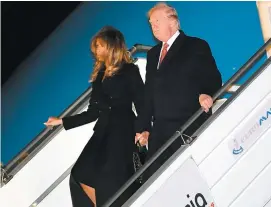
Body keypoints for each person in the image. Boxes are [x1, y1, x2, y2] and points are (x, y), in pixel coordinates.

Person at [44, 26, 144, 207]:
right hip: (102, 132)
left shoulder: (129, 70)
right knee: (80, 174)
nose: (95, 50)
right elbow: (93, 112)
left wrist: (142, 130)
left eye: (99, 46)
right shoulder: (99, 75)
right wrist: (62, 121)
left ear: (111, 45)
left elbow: (141, 103)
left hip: (123, 130)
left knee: (109, 181)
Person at [135, 3, 222, 177]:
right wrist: (144, 127)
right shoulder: (152, 55)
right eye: (151, 23)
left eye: (157, 21)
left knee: (191, 177)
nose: (154, 26)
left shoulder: (195, 45)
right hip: (160, 131)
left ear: (173, 21)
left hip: (188, 123)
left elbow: (213, 78)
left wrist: (206, 93)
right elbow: (149, 93)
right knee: (155, 180)